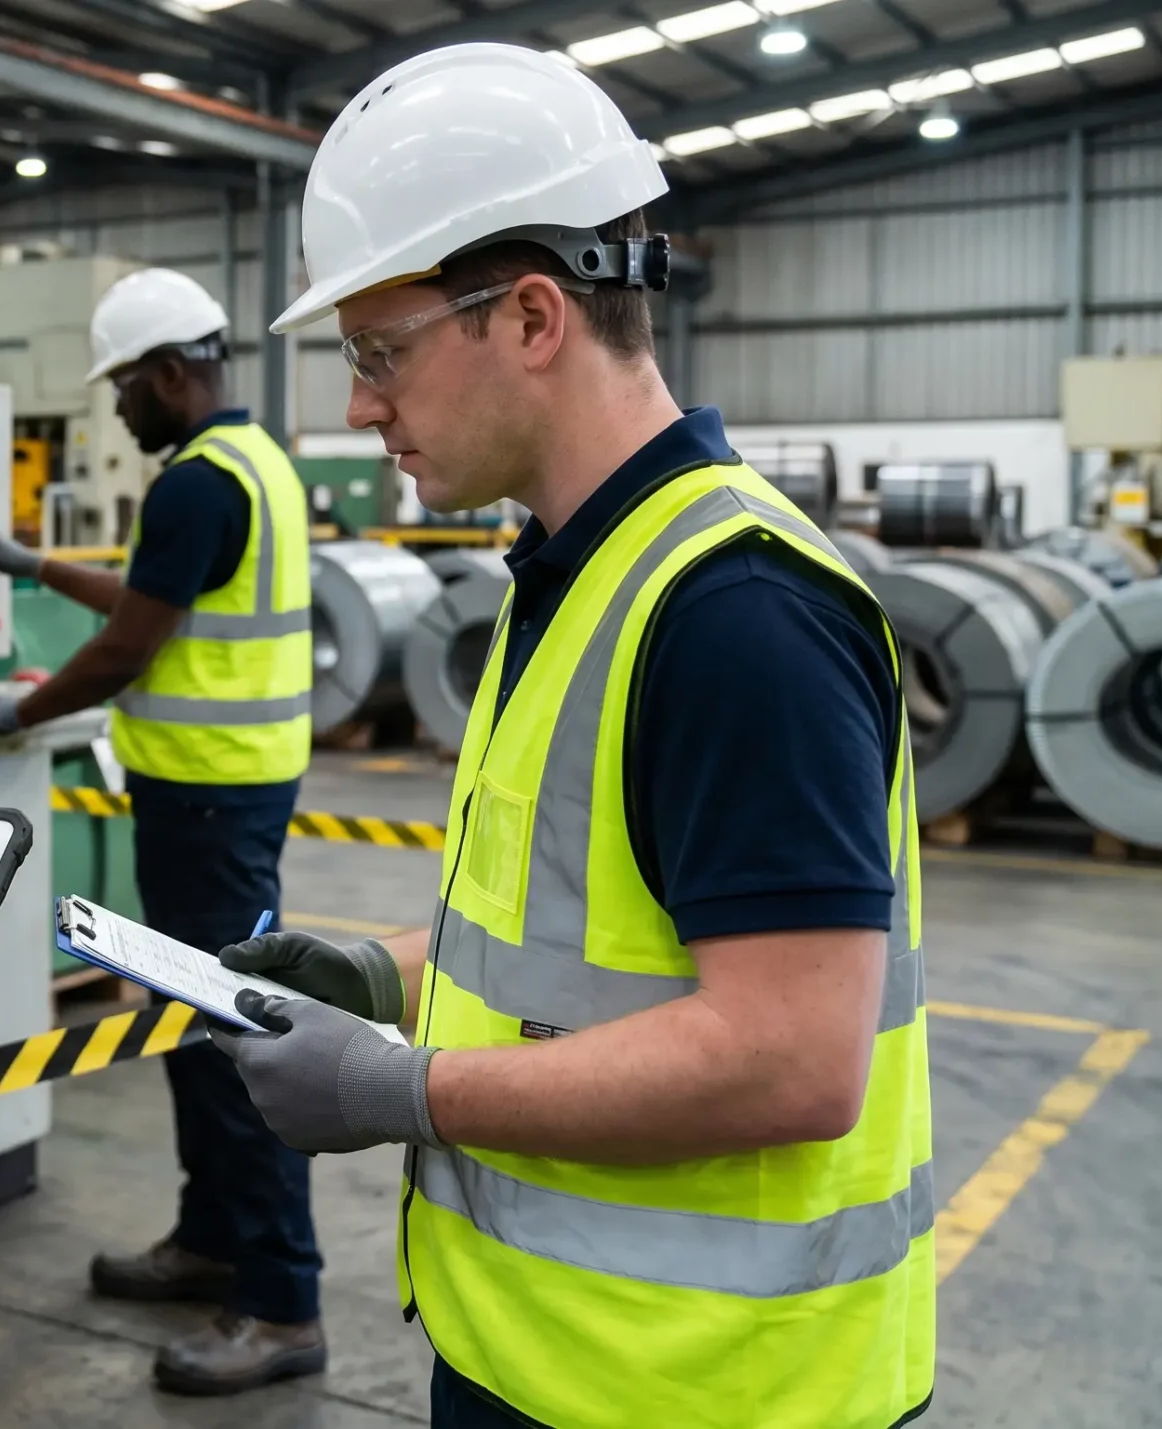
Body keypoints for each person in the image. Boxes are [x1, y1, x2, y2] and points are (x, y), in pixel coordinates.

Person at [207, 44, 934, 1429]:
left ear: (532, 318)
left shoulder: (737, 616)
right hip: (542, 1363)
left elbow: (794, 1054)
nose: (361, 405)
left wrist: (401, 1090)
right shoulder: (576, 576)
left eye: (380, 352)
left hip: (710, 1396)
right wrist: (383, 972)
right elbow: (581, 959)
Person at [0, 267, 324, 1395]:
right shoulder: (253, 463)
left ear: (168, 374)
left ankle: (282, 1299)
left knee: (236, 1037)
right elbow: (154, 598)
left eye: (121, 388)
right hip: (220, 793)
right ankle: (212, 1238)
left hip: (208, 802)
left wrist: (15, 708)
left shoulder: (197, 482)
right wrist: (29, 564)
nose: (114, 410)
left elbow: (130, 645)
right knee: (195, 1029)